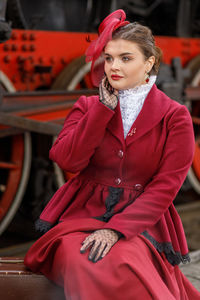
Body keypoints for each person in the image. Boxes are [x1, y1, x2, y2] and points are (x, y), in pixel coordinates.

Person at [24, 9, 200, 300]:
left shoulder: (175, 116)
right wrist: (101, 111)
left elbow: (166, 186)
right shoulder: (85, 106)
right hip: (82, 214)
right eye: (108, 58)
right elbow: (68, 160)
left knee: (125, 262)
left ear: (150, 63)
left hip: (141, 221)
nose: (113, 67)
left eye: (126, 58)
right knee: (81, 255)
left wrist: (117, 230)